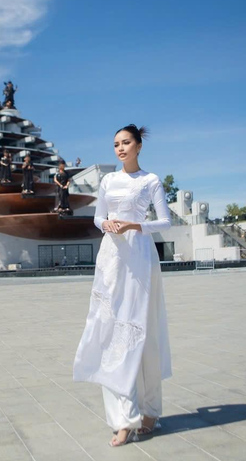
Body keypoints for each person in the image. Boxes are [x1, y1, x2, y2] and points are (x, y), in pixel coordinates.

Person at [72, 124, 172, 447]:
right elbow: (97, 218)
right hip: (112, 257)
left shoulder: (150, 181)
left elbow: (166, 222)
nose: (120, 148)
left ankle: (150, 410)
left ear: (139, 145)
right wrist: (108, 223)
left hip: (140, 258)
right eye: (116, 144)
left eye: (126, 142)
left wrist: (134, 224)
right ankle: (123, 420)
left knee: (143, 333)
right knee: (111, 332)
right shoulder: (108, 181)